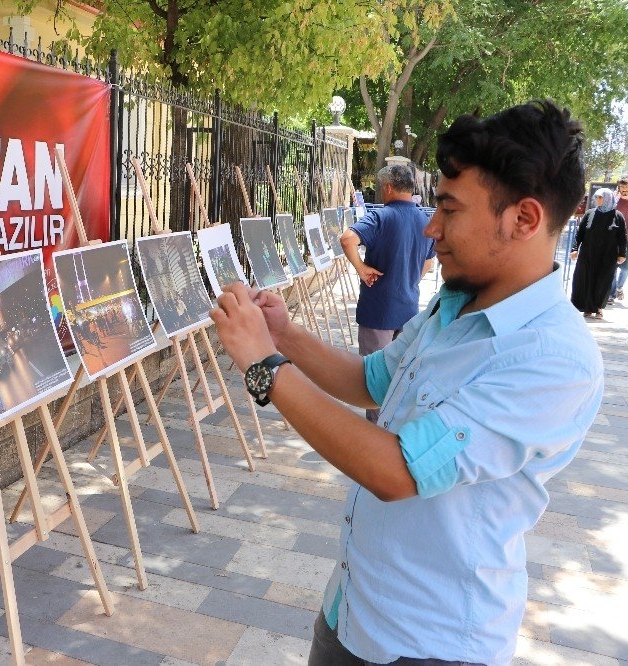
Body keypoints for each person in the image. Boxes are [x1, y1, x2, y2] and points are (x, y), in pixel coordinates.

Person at [210, 100, 603, 665]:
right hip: (355, 607)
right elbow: (371, 380)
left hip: (431, 641)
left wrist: (264, 368)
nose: (430, 227)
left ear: (524, 219)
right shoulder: (456, 304)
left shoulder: (553, 357)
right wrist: (284, 335)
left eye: (448, 209)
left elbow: (396, 470)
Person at [339, 164, 436, 422]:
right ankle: (395, 426)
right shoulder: (424, 219)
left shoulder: (381, 217)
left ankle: (377, 433)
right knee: (401, 374)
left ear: (389, 187)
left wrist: (361, 268)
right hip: (408, 309)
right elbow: (429, 261)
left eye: (381, 187)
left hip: (378, 309)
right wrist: (410, 277)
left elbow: (347, 239)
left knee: (373, 378)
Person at [570, 188, 626, 318]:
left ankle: (599, 307)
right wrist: (574, 249)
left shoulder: (617, 216)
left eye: (600, 197)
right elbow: (580, 233)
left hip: (608, 256)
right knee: (586, 279)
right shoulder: (589, 213)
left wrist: (622, 254)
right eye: (596, 197)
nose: (597, 200)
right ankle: (587, 307)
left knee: (603, 280)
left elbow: (622, 237)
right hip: (588, 254)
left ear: (607, 198)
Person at [608, 177, 628, 302]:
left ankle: (620, 287)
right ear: (619, 187)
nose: (624, 190)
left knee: (625, 268)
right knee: (613, 266)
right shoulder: (614, 200)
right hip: (615, 237)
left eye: (626, 187)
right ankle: (612, 293)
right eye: (622, 187)